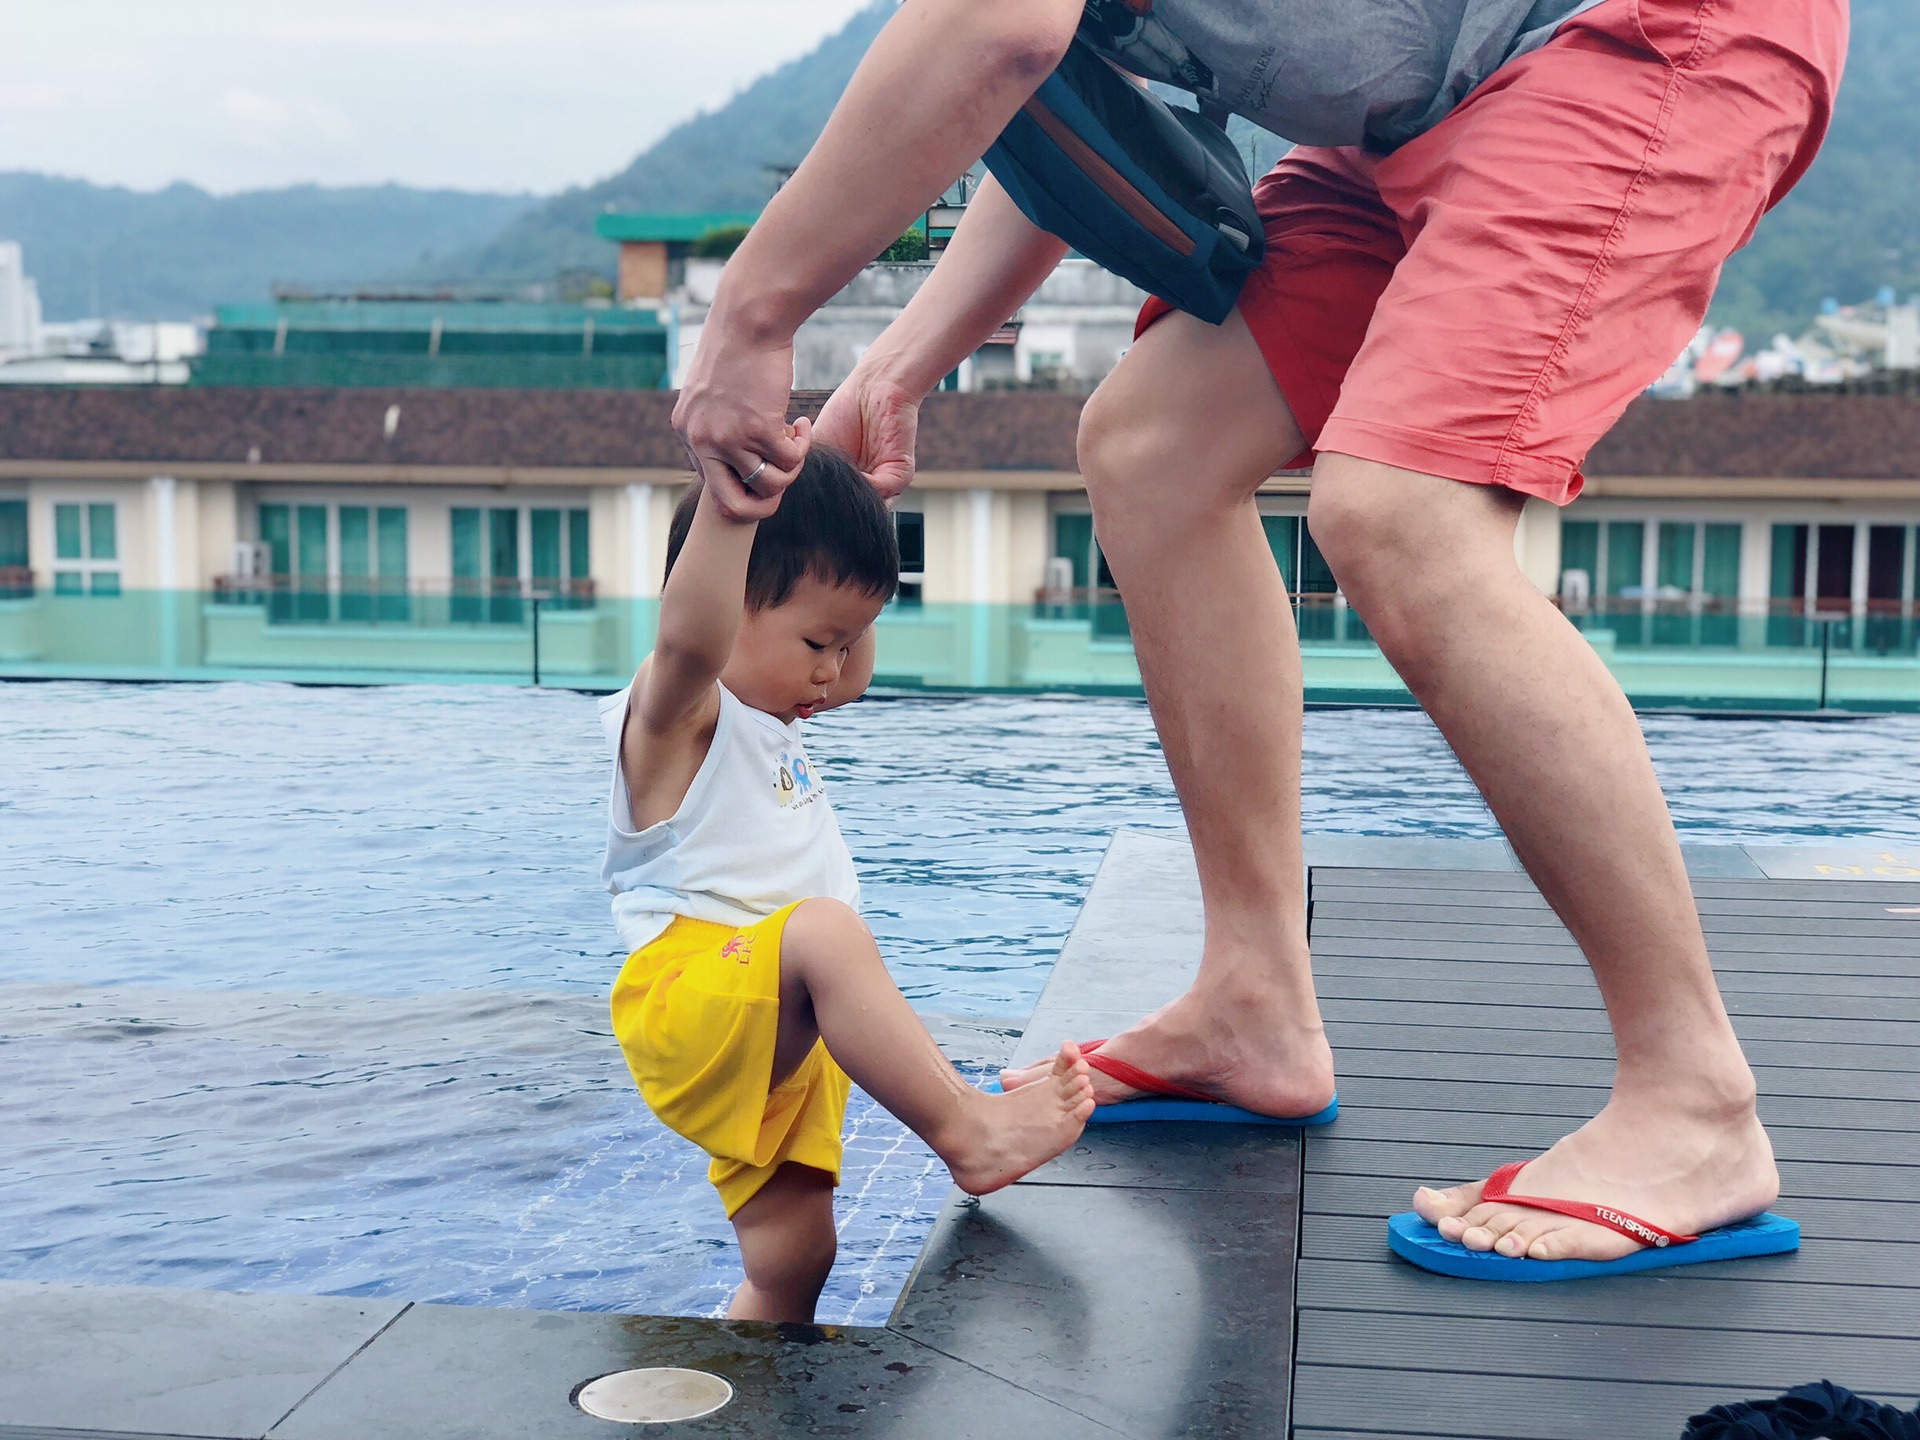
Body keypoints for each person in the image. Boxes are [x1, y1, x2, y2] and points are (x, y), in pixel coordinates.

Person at [670, 0, 1847, 1269]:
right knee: (1153, 448)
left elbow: (994, 30)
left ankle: (1697, 1102)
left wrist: (749, 319)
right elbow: (1041, 86)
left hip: (1635, 38)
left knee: (1403, 513)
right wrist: (901, 366)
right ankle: (1255, 1000)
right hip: (1409, 118)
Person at [599, 444, 1094, 1324]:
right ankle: (966, 1132)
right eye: (816, 642)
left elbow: (850, 659)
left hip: (773, 1024)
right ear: (727, 605)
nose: (835, 669)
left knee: (796, 1257)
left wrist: (851, 500)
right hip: (693, 995)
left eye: (847, 638)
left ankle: (751, 1377)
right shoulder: (680, 717)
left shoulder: (780, 716)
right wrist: (733, 510)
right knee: (825, 929)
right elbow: (692, 631)